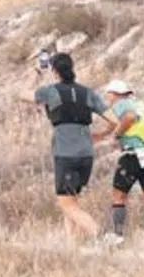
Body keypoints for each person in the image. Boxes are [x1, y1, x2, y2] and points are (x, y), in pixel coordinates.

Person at [22, 53, 120, 244]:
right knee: (72, 200)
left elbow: (22, 93)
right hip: (86, 154)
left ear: (55, 71)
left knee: (66, 205)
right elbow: (114, 120)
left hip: (65, 153)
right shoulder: (87, 93)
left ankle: (101, 236)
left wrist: (36, 70)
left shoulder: (51, 91)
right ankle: (71, 247)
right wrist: (101, 135)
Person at [101, 80, 144, 242]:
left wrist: (116, 135)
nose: (108, 98)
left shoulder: (121, 104)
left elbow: (129, 117)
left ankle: (117, 234)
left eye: (108, 95)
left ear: (114, 94)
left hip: (132, 154)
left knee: (119, 195)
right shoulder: (143, 105)